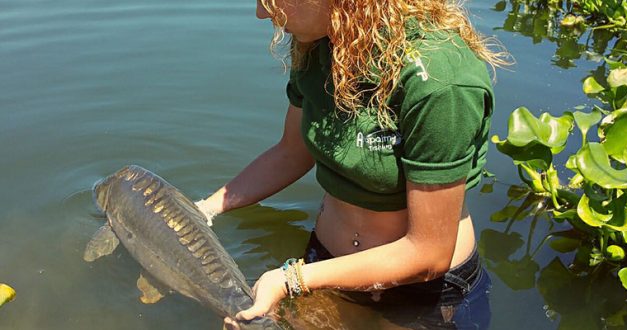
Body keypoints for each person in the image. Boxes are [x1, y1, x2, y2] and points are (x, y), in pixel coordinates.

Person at [196, 0, 508, 328]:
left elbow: (428, 254)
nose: (262, 13)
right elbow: (291, 152)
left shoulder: (442, 81)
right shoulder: (317, 40)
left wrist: (290, 280)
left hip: (422, 292)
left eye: (271, 0)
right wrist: (205, 209)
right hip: (324, 268)